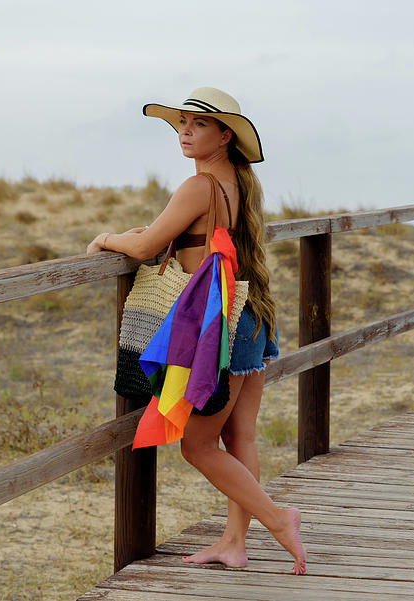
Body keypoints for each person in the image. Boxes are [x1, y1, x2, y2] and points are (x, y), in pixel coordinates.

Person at [86, 87, 306, 575]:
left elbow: (144, 246)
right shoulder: (237, 183)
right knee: (239, 435)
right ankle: (233, 543)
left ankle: (277, 519)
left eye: (198, 124)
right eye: (182, 124)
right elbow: (183, 234)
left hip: (220, 327)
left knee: (198, 445)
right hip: (248, 315)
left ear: (225, 135)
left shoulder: (198, 186)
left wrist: (106, 238)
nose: (185, 132)